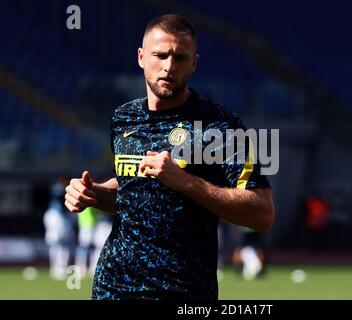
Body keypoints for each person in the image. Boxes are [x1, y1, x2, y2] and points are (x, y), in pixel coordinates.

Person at [64, 14, 275, 300]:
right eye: (160, 55)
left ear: (194, 63)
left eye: (180, 58)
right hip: (112, 289)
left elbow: (262, 213)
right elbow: (132, 191)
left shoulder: (219, 126)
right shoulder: (123, 118)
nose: (169, 67)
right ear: (141, 57)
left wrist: (186, 182)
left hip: (183, 293)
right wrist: (93, 194)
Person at [43, 177, 74, 280]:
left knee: (58, 244)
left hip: (55, 216)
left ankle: (58, 268)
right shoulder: (59, 189)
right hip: (57, 217)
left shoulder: (56, 189)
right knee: (59, 243)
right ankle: (58, 269)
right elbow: (63, 203)